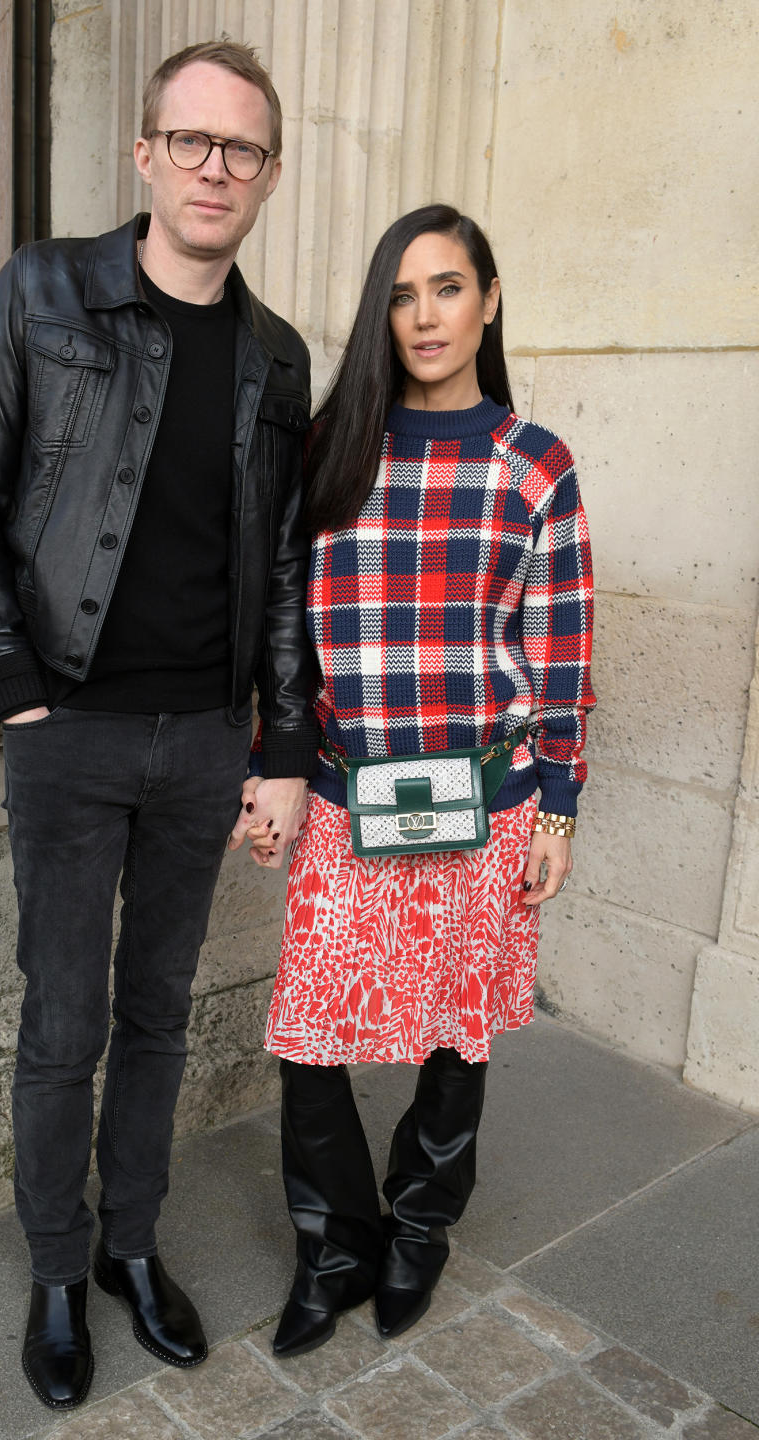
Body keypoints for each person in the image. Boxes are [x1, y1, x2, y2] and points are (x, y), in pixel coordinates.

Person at [0, 40, 317, 1411]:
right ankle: (54, 1269)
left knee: (158, 1014)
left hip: (205, 741)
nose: (218, 168)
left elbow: (279, 567)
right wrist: (16, 695)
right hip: (71, 735)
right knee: (63, 1020)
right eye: (194, 141)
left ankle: (130, 1250)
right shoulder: (45, 289)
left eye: (245, 149)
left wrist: (277, 749)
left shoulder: (279, 355)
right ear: (145, 153)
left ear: (269, 175)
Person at [232, 203, 596, 1357]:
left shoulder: (534, 464)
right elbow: (281, 621)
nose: (424, 315)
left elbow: (563, 645)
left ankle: (417, 1235)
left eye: (447, 288)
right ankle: (333, 1246)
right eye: (402, 292)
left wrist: (562, 804)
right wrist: (271, 764)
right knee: (310, 1028)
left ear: (487, 301)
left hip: (486, 804)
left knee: (453, 1032)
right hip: (348, 797)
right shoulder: (335, 440)